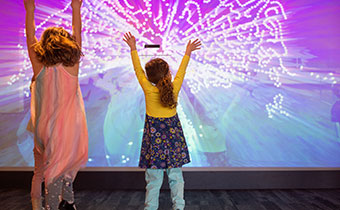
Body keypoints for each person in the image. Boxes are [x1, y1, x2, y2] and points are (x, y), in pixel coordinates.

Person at [123, 32, 201, 210]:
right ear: (167, 73)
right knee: (176, 177)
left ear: (149, 77)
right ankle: (179, 207)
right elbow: (182, 71)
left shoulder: (147, 89)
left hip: (154, 145)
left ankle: (150, 208)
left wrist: (133, 48)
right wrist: (188, 52)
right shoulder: (174, 88)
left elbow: (137, 70)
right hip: (174, 143)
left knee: (153, 179)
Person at [24, 0, 88, 209]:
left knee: (53, 168)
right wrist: (76, 8)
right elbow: (77, 32)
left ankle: (63, 203)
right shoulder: (72, 64)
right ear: (67, 43)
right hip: (69, 128)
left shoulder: (39, 65)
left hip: (44, 129)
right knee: (64, 167)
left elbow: (29, 36)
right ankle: (64, 203)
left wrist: (30, 10)